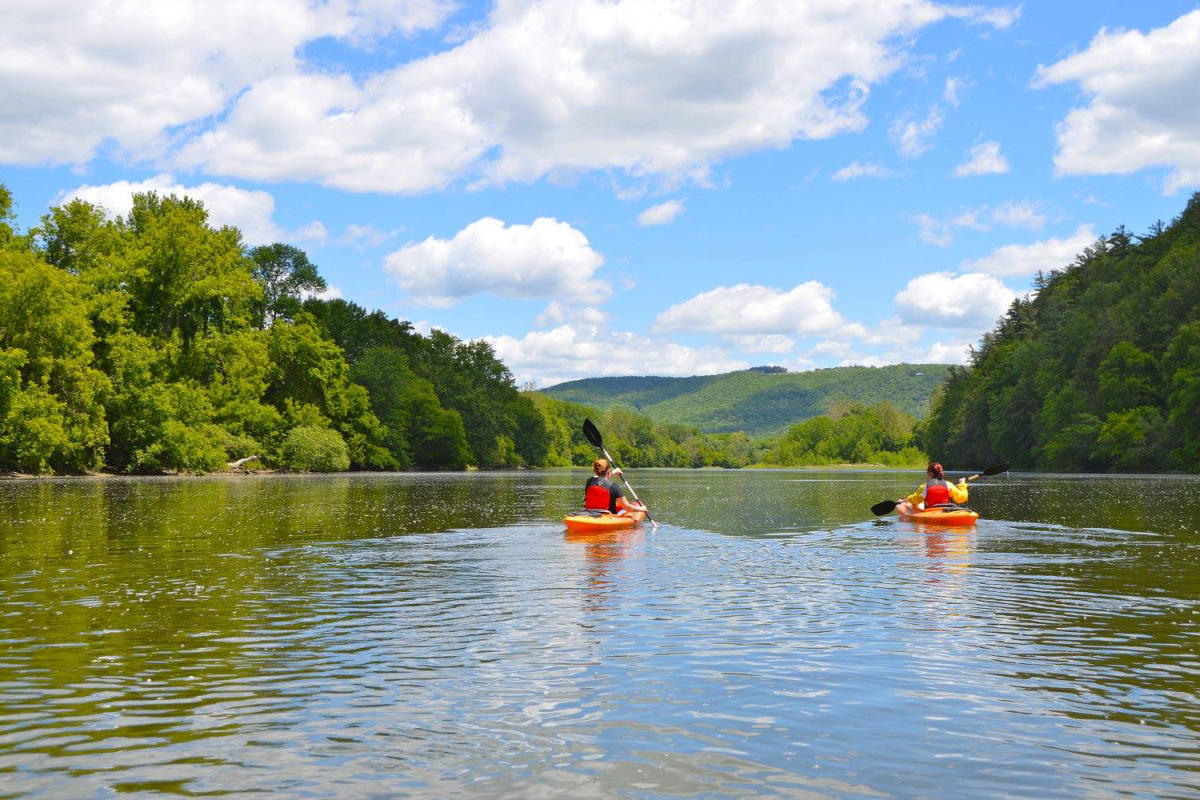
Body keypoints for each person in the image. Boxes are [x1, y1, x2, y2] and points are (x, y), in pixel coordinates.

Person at [898, 461, 968, 513]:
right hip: (946, 511)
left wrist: (908, 499)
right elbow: (962, 498)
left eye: (927, 473)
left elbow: (916, 499)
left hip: (930, 512)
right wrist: (962, 484)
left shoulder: (925, 486)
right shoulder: (949, 485)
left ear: (930, 474)